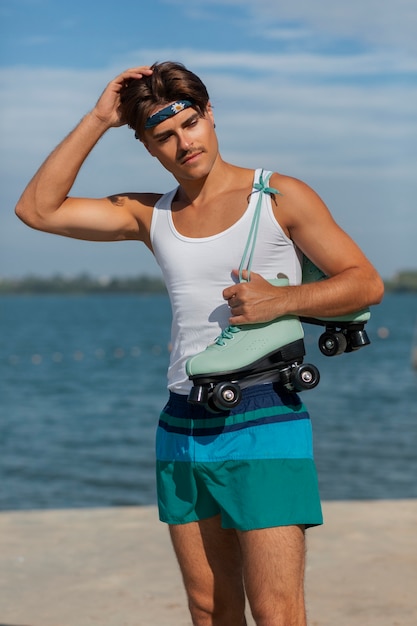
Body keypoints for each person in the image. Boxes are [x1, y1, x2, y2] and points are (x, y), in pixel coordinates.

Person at [15, 61, 384, 626]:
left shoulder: (278, 194)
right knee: (209, 609)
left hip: (264, 415)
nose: (183, 142)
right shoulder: (151, 214)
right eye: (163, 135)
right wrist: (98, 118)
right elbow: (36, 210)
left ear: (210, 116)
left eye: (190, 123)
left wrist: (279, 302)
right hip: (181, 420)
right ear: (147, 145)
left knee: (277, 612)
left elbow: (365, 282)